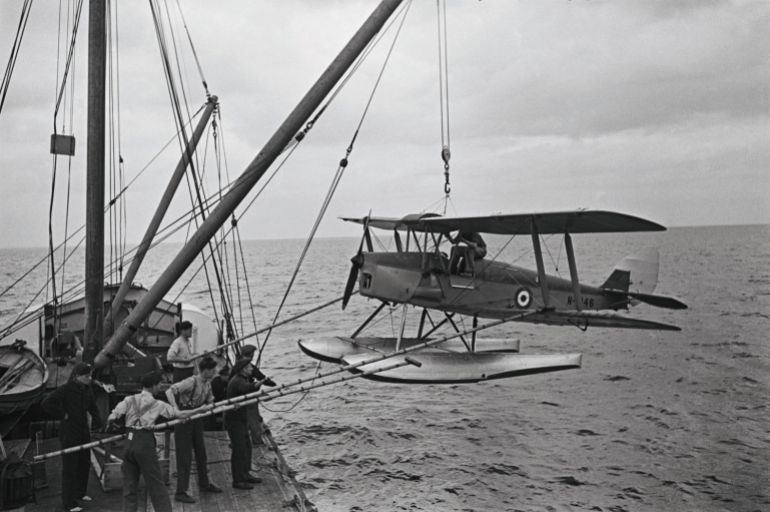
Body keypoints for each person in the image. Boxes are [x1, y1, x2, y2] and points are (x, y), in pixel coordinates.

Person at [107, 371, 205, 512]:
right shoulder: (157, 404)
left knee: (129, 486)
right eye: (159, 384)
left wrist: (112, 423)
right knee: (156, 485)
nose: (160, 386)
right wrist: (200, 410)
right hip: (144, 441)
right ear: (153, 386)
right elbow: (180, 415)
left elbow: (113, 416)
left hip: (129, 440)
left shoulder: (129, 399)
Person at [41, 362, 102, 512]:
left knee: (84, 463)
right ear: (76, 376)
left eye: (90, 376)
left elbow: (93, 407)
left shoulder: (88, 390)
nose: (90, 378)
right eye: (86, 376)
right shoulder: (66, 389)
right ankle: (69, 503)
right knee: (70, 468)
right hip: (69, 433)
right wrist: (63, 414)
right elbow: (47, 403)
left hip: (83, 432)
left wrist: (99, 423)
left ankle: (80, 493)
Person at [164, 356, 222, 503]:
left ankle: (204, 483)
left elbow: (210, 400)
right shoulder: (191, 382)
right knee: (184, 457)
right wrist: (176, 410)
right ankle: (181, 492)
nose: (215, 372)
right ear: (206, 370)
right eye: (213, 370)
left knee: (201, 453)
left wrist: (214, 405)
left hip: (197, 419)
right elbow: (170, 391)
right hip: (184, 419)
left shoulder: (207, 383)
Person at [224, 358, 263, 489]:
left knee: (247, 446)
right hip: (233, 420)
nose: (252, 369)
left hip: (241, 418)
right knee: (238, 449)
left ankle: (245, 473)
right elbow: (246, 389)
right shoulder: (237, 381)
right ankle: (238, 480)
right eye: (250, 367)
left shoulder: (243, 378)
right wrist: (257, 385)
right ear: (243, 369)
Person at [238, 344, 276, 446]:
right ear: (250, 355)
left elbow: (259, 377)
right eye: (252, 355)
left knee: (247, 419)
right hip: (247, 397)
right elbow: (260, 377)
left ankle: (248, 437)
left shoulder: (237, 365)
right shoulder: (248, 367)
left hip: (239, 396)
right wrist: (273, 384)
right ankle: (257, 441)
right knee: (253, 417)